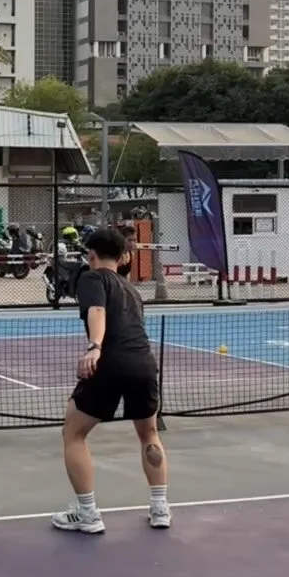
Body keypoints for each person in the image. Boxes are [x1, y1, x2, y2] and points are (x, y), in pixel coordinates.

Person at [51, 227, 171, 534]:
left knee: (73, 433)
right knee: (149, 436)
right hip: (144, 364)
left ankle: (87, 514)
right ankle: (160, 509)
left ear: (91, 255)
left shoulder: (92, 278)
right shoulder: (132, 290)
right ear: (123, 257)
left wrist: (95, 346)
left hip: (110, 363)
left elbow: (97, 310)